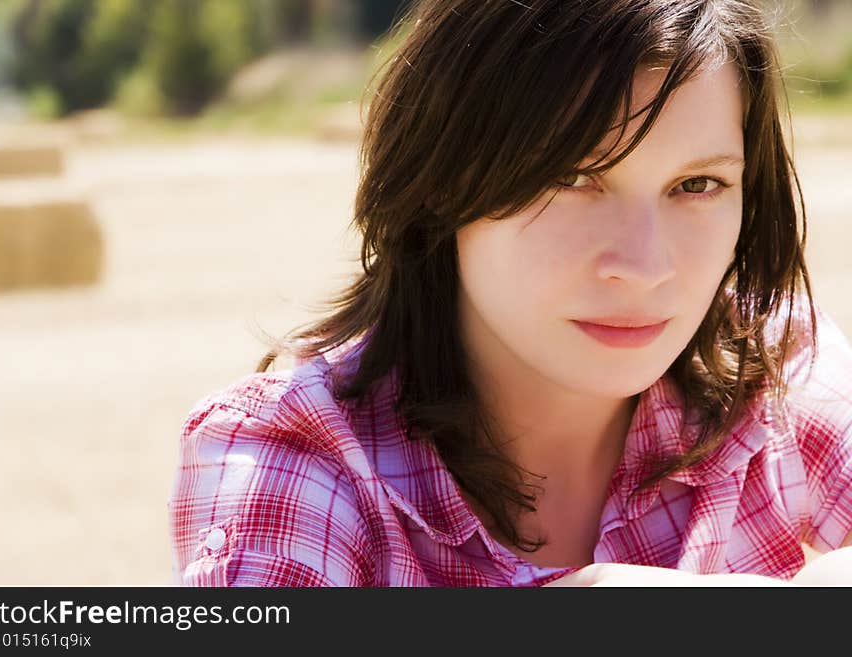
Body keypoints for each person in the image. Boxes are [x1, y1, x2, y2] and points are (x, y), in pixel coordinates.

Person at [167, 0, 852, 586]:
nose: (644, 267)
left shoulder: (771, 365)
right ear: (442, 180)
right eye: (574, 178)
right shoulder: (300, 455)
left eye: (697, 185)